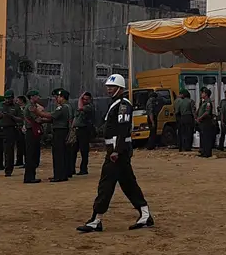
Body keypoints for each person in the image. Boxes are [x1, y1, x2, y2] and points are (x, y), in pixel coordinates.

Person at [77, 74, 153, 233]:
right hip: (117, 151)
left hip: (118, 151)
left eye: (112, 87)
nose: (109, 89)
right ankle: (145, 214)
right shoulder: (116, 104)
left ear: (120, 88)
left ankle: (96, 219)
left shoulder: (123, 105)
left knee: (106, 185)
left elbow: (123, 129)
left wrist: (117, 151)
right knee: (128, 184)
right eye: (108, 86)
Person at [45, 89, 75, 182]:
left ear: (62, 97)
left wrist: (38, 113)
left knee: (58, 154)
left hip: (59, 132)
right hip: (65, 131)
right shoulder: (69, 106)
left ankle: (59, 175)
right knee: (65, 153)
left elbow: (52, 116)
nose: (56, 99)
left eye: (57, 97)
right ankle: (64, 173)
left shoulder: (62, 107)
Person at [0, 90, 21, 178]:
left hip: (10, 129)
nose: (8, 100)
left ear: (12, 98)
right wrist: (0, 116)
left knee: (9, 152)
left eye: (10, 98)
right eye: (6, 98)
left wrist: (12, 116)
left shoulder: (16, 107)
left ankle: (8, 171)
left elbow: (21, 119)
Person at [22, 91, 45, 184]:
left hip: (33, 131)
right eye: (36, 96)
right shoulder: (30, 107)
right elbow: (37, 119)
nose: (38, 98)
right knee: (31, 154)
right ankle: (29, 177)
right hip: (31, 131)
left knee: (33, 153)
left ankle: (31, 176)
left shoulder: (33, 106)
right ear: (32, 97)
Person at [73, 92, 96, 175]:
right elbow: (76, 117)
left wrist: (80, 99)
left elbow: (80, 108)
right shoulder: (82, 107)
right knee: (73, 150)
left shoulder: (90, 107)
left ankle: (83, 169)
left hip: (85, 130)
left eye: (86, 99)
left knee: (84, 150)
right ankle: (72, 168)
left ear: (90, 100)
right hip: (78, 129)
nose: (84, 101)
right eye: (83, 99)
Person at [196, 88, 217, 158]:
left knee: (206, 137)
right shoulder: (203, 102)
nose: (201, 94)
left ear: (206, 94)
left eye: (203, 93)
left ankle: (207, 152)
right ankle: (203, 151)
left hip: (206, 122)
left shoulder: (208, 102)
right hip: (202, 122)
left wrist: (200, 118)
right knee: (203, 137)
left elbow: (207, 112)